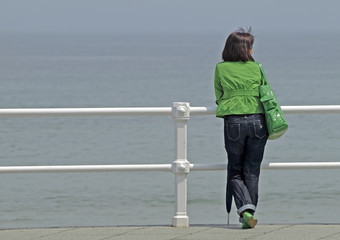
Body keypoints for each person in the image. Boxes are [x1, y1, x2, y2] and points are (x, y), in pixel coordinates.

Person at [214, 28, 268, 229]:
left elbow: (219, 96)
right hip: (258, 121)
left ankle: (245, 212)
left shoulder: (221, 68)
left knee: (235, 170)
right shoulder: (258, 68)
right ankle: (249, 212)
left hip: (234, 122)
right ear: (247, 50)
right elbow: (266, 93)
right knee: (252, 170)